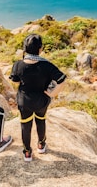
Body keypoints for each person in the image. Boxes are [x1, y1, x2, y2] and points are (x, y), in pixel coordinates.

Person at [9, 34, 66, 162]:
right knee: (41, 120)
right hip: (42, 100)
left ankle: (27, 152)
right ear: (40, 49)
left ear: (25, 48)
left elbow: (15, 81)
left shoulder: (18, 65)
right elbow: (62, 80)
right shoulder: (47, 65)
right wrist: (52, 93)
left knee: (25, 125)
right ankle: (41, 144)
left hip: (24, 101)